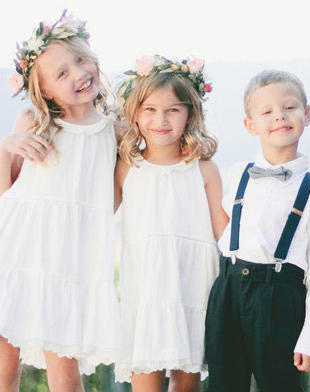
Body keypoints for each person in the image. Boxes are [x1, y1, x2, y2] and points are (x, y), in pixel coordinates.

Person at [0, 11, 119, 392]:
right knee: (4, 361)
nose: (78, 74)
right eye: (61, 74)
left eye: (80, 60)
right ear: (45, 91)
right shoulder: (35, 123)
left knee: (64, 366)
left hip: (67, 259)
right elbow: (1, 197)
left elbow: (113, 197)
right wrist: (5, 147)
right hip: (15, 248)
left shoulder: (115, 129)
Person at [205, 70, 310, 392]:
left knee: (279, 385)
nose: (279, 116)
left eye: (289, 107)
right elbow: (224, 233)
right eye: (266, 111)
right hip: (228, 290)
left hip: (279, 296)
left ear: (306, 115)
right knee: (222, 385)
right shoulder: (237, 174)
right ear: (250, 125)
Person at [113, 55, 226, 391]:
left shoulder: (203, 169)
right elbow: (98, 215)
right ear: (134, 113)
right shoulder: (127, 167)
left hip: (193, 287)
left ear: (190, 113)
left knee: (186, 383)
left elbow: (224, 231)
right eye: (150, 109)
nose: (161, 119)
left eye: (173, 110)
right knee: (145, 379)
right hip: (145, 289)